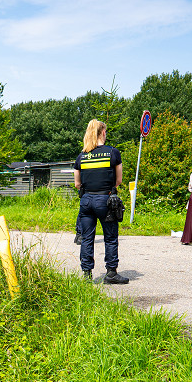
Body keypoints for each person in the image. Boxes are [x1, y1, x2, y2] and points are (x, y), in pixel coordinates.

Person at [73, 120, 129, 284]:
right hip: (105, 200)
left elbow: (77, 184)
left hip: (86, 200)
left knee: (87, 238)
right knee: (110, 238)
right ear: (102, 132)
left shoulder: (82, 156)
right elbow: (118, 180)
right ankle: (111, 273)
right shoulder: (112, 152)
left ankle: (86, 275)